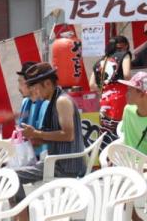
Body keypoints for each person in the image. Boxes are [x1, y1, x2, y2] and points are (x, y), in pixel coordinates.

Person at [13, 63, 85, 202]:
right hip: (56, 162)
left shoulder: (62, 101)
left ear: (47, 83)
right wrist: (31, 136)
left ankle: (22, 220)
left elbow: (67, 135)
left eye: (36, 87)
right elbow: (53, 135)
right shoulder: (53, 100)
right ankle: (22, 218)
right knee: (9, 175)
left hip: (64, 165)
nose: (35, 91)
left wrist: (37, 134)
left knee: (10, 177)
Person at [120, 71, 147, 221]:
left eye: (131, 90)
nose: (126, 93)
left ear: (143, 94)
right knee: (117, 187)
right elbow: (124, 139)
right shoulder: (128, 111)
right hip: (130, 164)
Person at [94, 37, 133, 143]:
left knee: (106, 131)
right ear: (125, 45)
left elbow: (92, 84)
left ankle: (106, 157)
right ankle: (121, 157)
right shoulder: (124, 55)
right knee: (121, 129)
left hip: (104, 98)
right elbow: (127, 75)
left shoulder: (100, 61)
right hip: (121, 97)